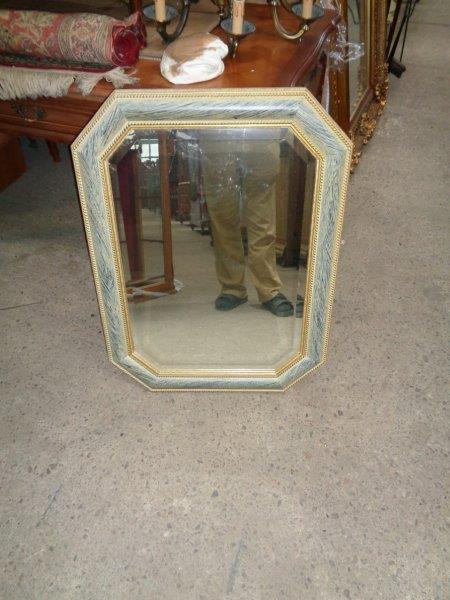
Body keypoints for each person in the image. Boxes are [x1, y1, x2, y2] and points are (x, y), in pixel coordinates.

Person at [200, 130, 294, 317]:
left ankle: (268, 289)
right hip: (217, 124)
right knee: (223, 213)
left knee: (262, 215)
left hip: (261, 125)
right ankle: (232, 287)